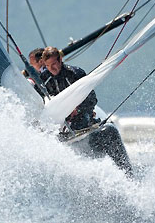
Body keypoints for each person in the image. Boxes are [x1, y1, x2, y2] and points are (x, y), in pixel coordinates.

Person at [40, 47, 133, 175]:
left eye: (54, 64)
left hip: (81, 115)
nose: (52, 68)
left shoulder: (75, 73)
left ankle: (126, 174)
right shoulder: (44, 78)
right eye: (48, 65)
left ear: (60, 60)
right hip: (62, 120)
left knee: (103, 130)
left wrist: (77, 109)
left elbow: (92, 99)